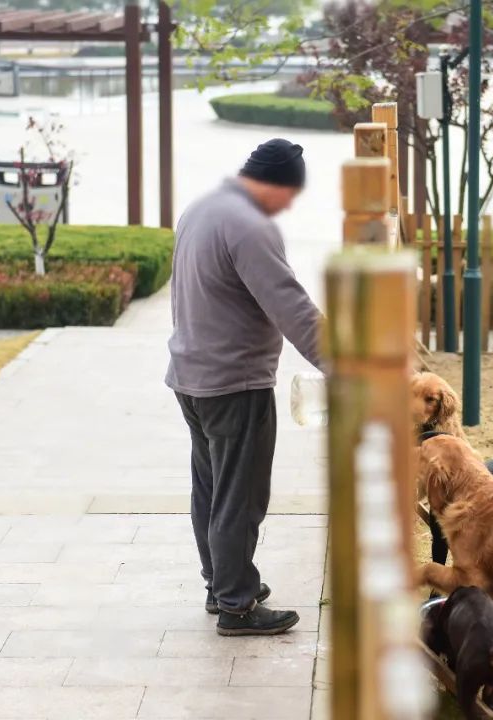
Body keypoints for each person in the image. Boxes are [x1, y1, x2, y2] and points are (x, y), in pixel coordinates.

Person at [166, 139, 325, 636]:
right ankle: (236, 605)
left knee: (211, 490)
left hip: (192, 378)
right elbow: (292, 308)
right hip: (234, 383)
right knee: (241, 496)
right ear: (276, 183)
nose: (289, 206)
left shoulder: (203, 207)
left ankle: (220, 584)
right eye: (290, 194)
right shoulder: (250, 226)